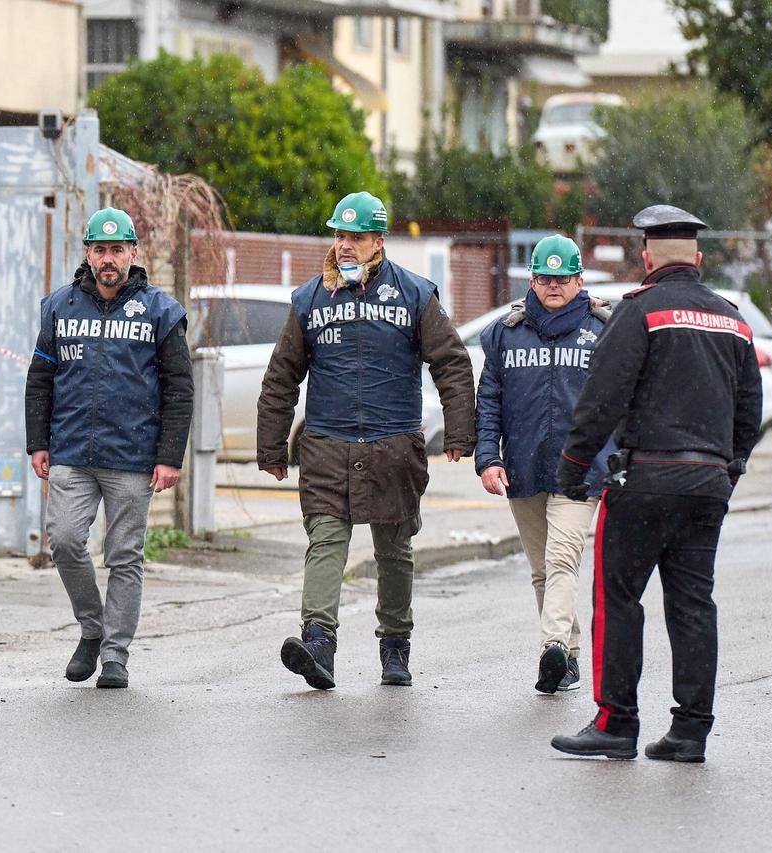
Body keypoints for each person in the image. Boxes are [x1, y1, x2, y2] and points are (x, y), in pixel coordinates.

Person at [549, 205, 762, 762]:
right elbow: (750, 410)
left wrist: (573, 467)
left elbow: (602, 397)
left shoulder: (640, 311)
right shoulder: (733, 319)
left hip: (644, 481)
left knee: (618, 599)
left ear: (646, 257)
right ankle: (690, 732)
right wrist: (729, 469)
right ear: (698, 258)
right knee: (693, 605)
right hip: (707, 483)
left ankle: (616, 723)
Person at [256, 191, 476, 691]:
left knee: (394, 549)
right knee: (326, 540)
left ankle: (395, 645)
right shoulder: (310, 299)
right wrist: (272, 448)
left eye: (356, 237)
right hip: (327, 444)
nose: (347, 246)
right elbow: (281, 377)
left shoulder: (415, 296)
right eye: (340, 236)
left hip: (392, 445)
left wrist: (461, 432)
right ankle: (317, 642)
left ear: (379, 240)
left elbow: (452, 364)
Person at [24, 207, 193, 690]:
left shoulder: (160, 311)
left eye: (117, 250)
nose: (109, 260)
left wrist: (168, 455)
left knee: (124, 556)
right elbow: (40, 379)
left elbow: (179, 388)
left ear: (133, 254)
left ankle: (116, 655)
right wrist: (38, 441)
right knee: (65, 541)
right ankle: (92, 629)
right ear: (88, 254)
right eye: (100, 250)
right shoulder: (59, 307)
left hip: (133, 456)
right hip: (72, 451)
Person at [475, 234, 611, 695]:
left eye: (562, 279)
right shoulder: (504, 332)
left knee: (561, 558)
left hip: (581, 468)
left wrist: (617, 457)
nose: (553, 287)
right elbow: (489, 397)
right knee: (541, 568)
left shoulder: (604, 330)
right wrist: (487, 458)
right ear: (531, 280)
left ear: (579, 280)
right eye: (544, 279)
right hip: (525, 463)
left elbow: (620, 400)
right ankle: (569, 659)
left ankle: (551, 645)